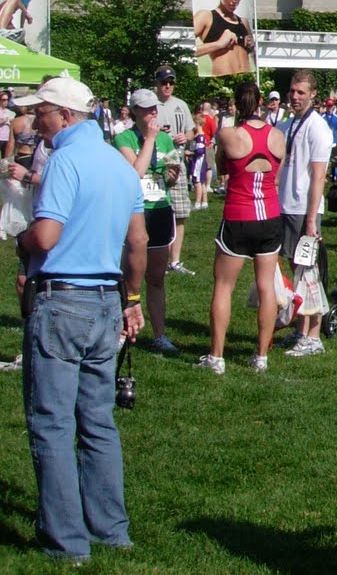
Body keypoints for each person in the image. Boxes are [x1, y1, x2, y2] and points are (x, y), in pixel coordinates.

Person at [14, 75, 147, 564]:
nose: (33, 122)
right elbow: (137, 242)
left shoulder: (64, 160)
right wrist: (132, 298)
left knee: (50, 422)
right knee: (97, 421)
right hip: (105, 300)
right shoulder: (118, 163)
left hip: (63, 299)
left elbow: (46, 236)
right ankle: (110, 529)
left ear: (65, 115)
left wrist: (21, 243)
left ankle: (66, 541)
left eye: (41, 112)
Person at [200, 80, 286, 374]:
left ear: (236, 104)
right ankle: (261, 356)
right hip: (270, 217)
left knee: (224, 286)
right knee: (266, 288)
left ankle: (217, 356)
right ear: (261, 102)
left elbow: (222, 168)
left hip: (239, 214)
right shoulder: (277, 136)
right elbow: (275, 174)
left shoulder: (228, 134)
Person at [112, 89, 180, 355]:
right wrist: (150, 139)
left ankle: (159, 334)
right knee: (130, 275)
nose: (153, 112)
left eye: (154, 108)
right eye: (146, 109)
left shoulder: (165, 139)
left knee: (156, 277)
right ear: (134, 111)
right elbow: (136, 172)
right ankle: (122, 329)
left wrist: (173, 174)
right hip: (135, 211)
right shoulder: (124, 138)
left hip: (160, 208)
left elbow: (172, 172)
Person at [279, 70, 333, 358]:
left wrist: (312, 218)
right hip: (286, 204)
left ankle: (313, 335)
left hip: (304, 208)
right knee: (295, 270)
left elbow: (319, 176)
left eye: (301, 92)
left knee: (308, 271)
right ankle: (301, 329)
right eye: (292, 91)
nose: (295, 96)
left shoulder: (318, 128)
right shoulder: (288, 124)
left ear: (313, 94)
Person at [150, 66, 197, 276]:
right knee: (155, 210)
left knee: (180, 212)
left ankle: (175, 261)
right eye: (164, 82)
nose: (167, 86)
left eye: (171, 82)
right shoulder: (150, 104)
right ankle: (156, 258)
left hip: (175, 159)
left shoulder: (181, 105)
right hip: (155, 159)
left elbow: (191, 130)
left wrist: (185, 137)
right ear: (157, 83)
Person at [192, 0, 256, 78]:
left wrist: (251, 46)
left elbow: (253, 56)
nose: (234, 0)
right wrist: (219, 44)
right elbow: (184, 50)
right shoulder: (206, 16)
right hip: (221, 83)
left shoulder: (243, 22)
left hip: (245, 81)